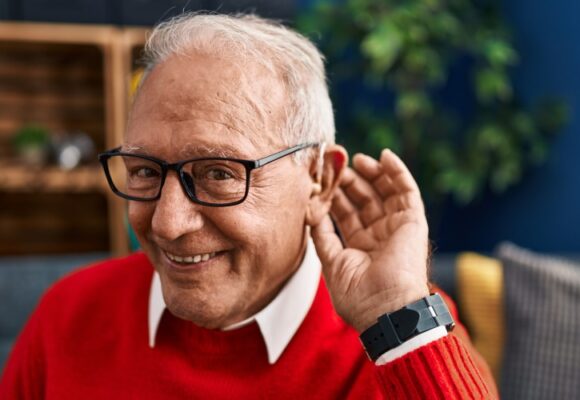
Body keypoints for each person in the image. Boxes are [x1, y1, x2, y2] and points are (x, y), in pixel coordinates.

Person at [0, 13, 497, 399]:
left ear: (319, 179)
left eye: (218, 174)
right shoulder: (68, 315)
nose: (167, 223)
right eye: (146, 171)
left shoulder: (403, 329)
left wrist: (396, 319)